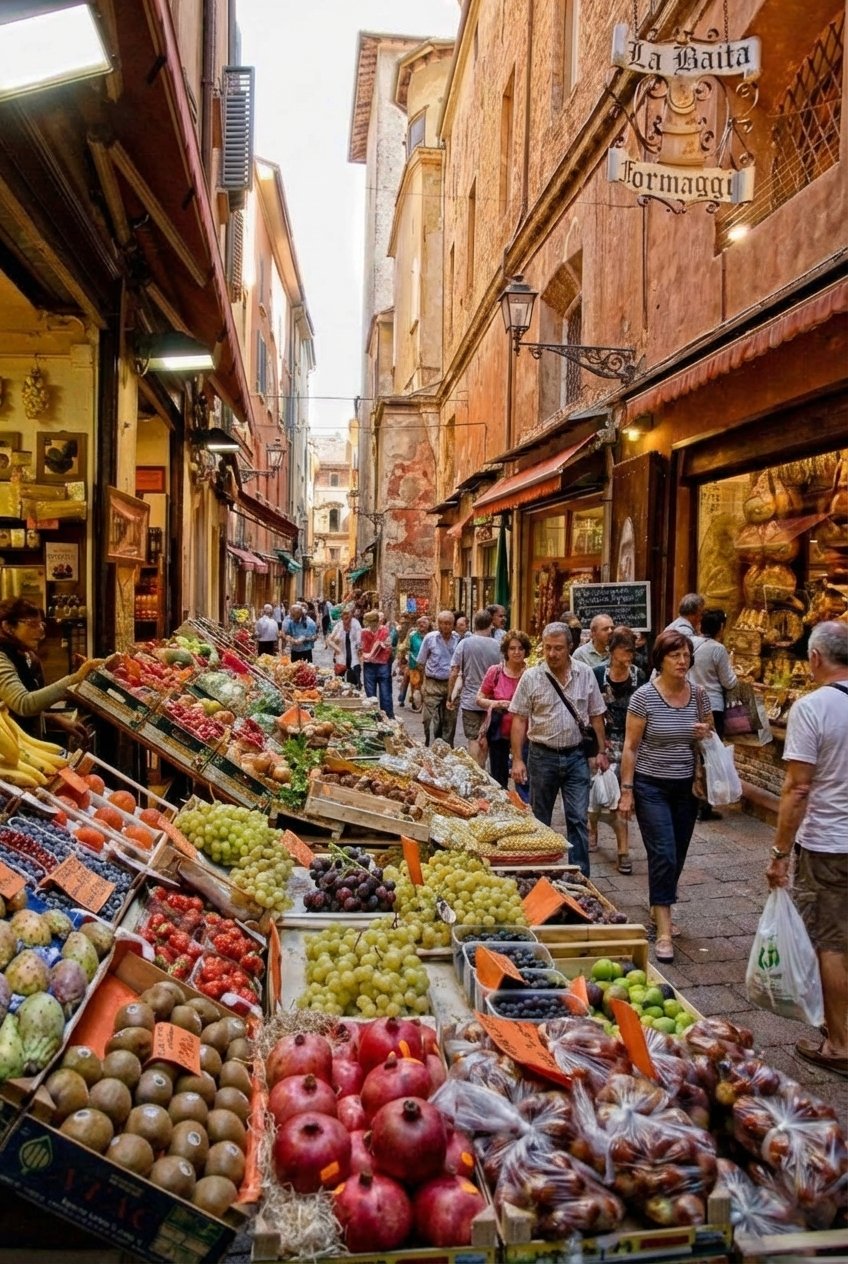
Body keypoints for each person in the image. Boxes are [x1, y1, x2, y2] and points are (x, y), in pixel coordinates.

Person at [767, 621, 848, 1079]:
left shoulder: (812, 708)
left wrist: (780, 852)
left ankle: (838, 1043)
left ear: (815, 658)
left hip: (830, 843)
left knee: (831, 942)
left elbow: (797, 789)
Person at [618, 629, 713, 963]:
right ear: (660, 659)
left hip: (685, 787)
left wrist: (705, 731)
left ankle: (659, 904)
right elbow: (630, 748)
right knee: (664, 853)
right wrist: (626, 791)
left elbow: (709, 727)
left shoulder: (699, 695)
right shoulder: (644, 697)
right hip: (650, 785)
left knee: (679, 853)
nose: (682, 661)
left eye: (686, 655)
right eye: (675, 655)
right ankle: (663, 931)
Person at [509, 621, 609, 876]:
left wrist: (600, 751)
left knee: (577, 817)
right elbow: (519, 719)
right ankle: (539, 873)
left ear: (570, 648)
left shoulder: (585, 673)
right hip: (542, 756)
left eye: (558, 648)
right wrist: (518, 760)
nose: (552, 654)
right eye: (548, 648)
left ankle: (579, 875)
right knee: (540, 818)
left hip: (576, 755)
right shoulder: (531, 677)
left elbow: (596, 714)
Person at [0, 598, 103, 742]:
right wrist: (75, 678)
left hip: (28, 746)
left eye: (41, 624)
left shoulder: (27, 656)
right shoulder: (2, 658)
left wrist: (55, 719)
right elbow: (23, 704)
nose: (41, 630)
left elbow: (19, 714)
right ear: (8, 627)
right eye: (32, 624)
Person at [590, 627, 646, 873]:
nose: (629, 655)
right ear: (612, 651)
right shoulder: (597, 674)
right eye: (625, 650)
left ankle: (623, 851)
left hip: (632, 743)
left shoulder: (639, 675)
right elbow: (591, 712)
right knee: (597, 794)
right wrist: (599, 747)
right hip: (605, 741)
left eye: (632, 650)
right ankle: (592, 828)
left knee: (623, 796)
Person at [690, 608, 738, 822]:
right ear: (720, 628)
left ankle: (695, 797)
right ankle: (705, 804)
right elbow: (729, 681)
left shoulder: (691, 644)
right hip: (713, 706)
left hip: (691, 703)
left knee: (696, 753)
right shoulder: (718, 650)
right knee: (711, 755)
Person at [477, 629, 531, 790]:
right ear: (506, 651)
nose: (516, 652)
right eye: (512, 648)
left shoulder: (531, 674)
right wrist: (498, 703)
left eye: (520, 648)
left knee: (524, 778)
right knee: (499, 779)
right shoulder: (495, 672)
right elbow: (479, 699)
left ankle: (524, 808)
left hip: (525, 734)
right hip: (499, 733)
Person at [447, 610, 502, 766]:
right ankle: (483, 770)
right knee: (485, 739)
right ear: (490, 624)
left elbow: (454, 671)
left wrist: (450, 695)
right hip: (491, 701)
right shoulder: (497, 646)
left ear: (474, 624)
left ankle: (475, 771)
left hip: (470, 700)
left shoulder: (465, 643)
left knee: (473, 738)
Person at [417, 610, 458, 746]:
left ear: (453, 624)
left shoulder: (458, 639)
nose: (444, 626)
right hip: (432, 682)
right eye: (441, 623)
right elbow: (421, 662)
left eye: (448, 623)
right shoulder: (430, 638)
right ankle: (428, 742)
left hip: (451, 683)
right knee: (428, 718)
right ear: (437, 624)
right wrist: (425, 681)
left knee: (450, 718)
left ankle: (446, 747)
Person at [360, 610, 394, 717]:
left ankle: (387, 715)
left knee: (385, 693)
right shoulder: (365, 632)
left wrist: (368, 655)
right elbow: (362, 647)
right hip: (371, 664)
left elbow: (381, 645)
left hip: (381, 664)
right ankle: (375, 716)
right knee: (371, 693)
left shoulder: (384, 630)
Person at [398, 615, 429, 710]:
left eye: (424, 623)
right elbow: (404, 647)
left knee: (425, 686)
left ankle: (424, 702)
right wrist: (402, 658)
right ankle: (416, 703)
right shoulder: (412, 635)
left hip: (428, 666)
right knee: (415, 684)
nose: (421, 625)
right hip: (414, 665)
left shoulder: (431, 635)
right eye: (419, 623)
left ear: (428, 625)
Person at [328, 607, 362, 687]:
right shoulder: (339, 625)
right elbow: (329, 639)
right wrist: (337, 648)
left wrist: (359, 651)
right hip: (341, 657)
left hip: (354, 656)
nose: (346, 621)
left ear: (351, 617)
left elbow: (359, 640)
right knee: (339, 681)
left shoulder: (356, 624)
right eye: (344, 618)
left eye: (348, 618)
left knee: (354, 682)